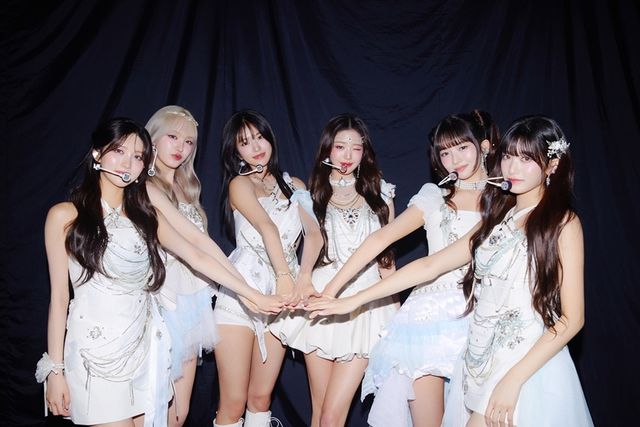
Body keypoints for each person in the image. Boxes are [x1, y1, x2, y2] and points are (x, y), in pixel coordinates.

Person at [308, 115, 593, 426]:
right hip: (482, 355)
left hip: (527, 358)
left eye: (526, 159)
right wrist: (350, 300)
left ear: (551, 165)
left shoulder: (563, 223)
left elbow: (572, 319)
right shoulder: (498, 220)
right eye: (509, 157)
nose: (513, 168)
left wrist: (514, 379)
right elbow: (429, 265)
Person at [37, 118, 282, 427]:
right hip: (93, 357)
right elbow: (60, 299)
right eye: (119, 151)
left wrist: (250, 293)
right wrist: (55, 371)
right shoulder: (63, 216)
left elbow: (196, 253)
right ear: (98, 153)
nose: (128, 162)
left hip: (145, 354)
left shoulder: (144, 216)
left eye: (138, 156)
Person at [302, 111, 497, 426]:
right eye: (445, 153)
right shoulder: (434, 196)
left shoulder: (503, 201)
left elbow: (432, 264)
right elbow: (380, 239)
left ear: (484, 146)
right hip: (427, 318)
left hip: (482, 311)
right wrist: (332, 292)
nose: (454, 160)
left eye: (462, 148)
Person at [270, 113, 398, 427]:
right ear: (328, 149)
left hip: (366, 307)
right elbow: (304, 244)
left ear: (365, 152)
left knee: (331, 417)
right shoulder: (311, 194)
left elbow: (386, 261)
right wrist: (299, 279)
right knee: (319, 413)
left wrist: (397, 319)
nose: (348, 155)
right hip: (320, 302)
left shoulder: (382, 194)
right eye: (340, 146)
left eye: (356, 148)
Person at [212, 110, 323, 427]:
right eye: (245, 142)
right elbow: (266, 228)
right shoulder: (239, 184)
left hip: (283, 298)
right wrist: (284, 277)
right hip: (242, 294)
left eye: (259, 137)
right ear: (236, 151)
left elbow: (314, 234)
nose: (256, 146)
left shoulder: (295, 184)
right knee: (233, 402)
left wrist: (303, 277)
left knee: (261, 397)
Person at [144, 105, 242, 426]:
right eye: (172, 137)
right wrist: (245, 287)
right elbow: (195, 247)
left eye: (188, 142)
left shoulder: (186, 189)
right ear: (153, 138)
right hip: (161, 301)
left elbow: (202, 246)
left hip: (192, 303)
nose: (181, 147)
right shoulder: (145, 187)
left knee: (179, 411)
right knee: (155, 406)